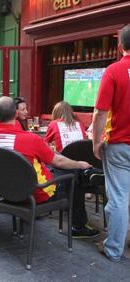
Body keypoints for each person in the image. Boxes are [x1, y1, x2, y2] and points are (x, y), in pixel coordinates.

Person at [0, 97, 100, 238]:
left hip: (4, 192)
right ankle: (78, 226)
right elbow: (58, 161)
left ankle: (90, 174)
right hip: (34, 194)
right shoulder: (30, 139)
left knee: (60, 170)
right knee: (75, 175)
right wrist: (80, 164)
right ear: (15, 115)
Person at [92, 24, 130, 261]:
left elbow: (100, 113)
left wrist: (96, 142)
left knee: (118, 197)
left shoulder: (114, 71)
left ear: (120, 46)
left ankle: (114, 248)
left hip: (119, 144)